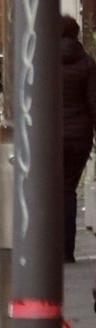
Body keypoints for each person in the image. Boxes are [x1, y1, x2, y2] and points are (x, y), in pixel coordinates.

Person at [60, 16, 96, 262]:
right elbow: (93, 104)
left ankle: (48, 249)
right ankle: (67, 251)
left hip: (50, 137)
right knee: (68, 190)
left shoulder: (43, 62)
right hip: (80, 136)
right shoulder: (87, 64)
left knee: (48, 190)